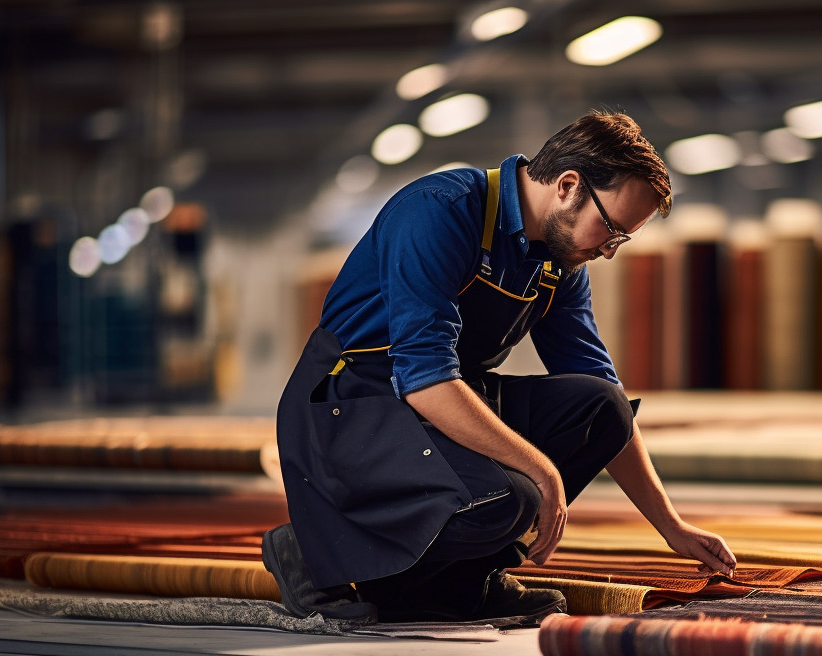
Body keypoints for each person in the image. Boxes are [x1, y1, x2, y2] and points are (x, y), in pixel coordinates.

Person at [263, 112, 737, 625]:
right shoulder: (441, 210)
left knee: (603, 409)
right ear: (568, 186)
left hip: (445, 398)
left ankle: (451, 586)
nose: (607, 250)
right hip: (350, 406)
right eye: (611, 229)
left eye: (620, 240)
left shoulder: (559, 260)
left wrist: (671, 526)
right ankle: (312, 546)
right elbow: (425, 379)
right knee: (512, 496)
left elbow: (604, 392)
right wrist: (541, 469)